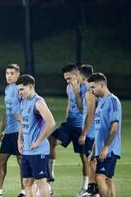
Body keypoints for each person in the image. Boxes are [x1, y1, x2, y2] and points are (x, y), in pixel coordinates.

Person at [48, 63, 88, 195]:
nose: (67, 81)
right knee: (51, 139)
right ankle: (50, 174)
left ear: (76, 75)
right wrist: (66, 119)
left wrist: (77, 94)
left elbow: (82, 108)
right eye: (65, 79)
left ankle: (86, 187)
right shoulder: (68, 87)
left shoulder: (86, 88)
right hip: (69, 125)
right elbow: (69, 104)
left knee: (84, 158)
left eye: (69, 78)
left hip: (81, 127)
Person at [0, 64, 25, 197]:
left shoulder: (20, 88)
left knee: (21, 161)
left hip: (19, 130)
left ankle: (24, 191)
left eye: (12, 73)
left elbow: (29, 104)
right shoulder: (7, 88)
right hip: (9, 131)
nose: (9, 76)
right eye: (7, 73)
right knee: (1, 160)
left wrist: (24, 119)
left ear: (17, 75)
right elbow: (7, 111)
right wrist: (1, 130)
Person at [16, 74, 56, 197]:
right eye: (18, 90)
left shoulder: (38, 102)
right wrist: (19, 140)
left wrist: (38, 141)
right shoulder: (23, 102)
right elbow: (23, 121)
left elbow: (51, 123)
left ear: (31, 87)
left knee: (41, 181)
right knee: (27, 182)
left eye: (22, 89)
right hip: (27, 150)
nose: (20, 93)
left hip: (39, 150)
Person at [88, 73, 121, 197]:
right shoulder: (100, 102)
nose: (91, 91)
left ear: (102, 85)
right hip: (100, 148)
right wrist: (94, 149)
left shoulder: (112, 101)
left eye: (93, 87)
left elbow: (114, 127)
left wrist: (106, 147)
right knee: (108, 179)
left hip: (110, 149)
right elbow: (98, 129)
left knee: (100, 177)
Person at [77, 65, 98, 196]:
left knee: (91, 160)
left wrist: (84, 133)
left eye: (78, 74)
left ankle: (93, 188)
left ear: (82, 76)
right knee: (89, 159)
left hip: (92, 132)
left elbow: (91, 114)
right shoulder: (91, 89)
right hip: (92, 131)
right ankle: (92, 188)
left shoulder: (90, 92)